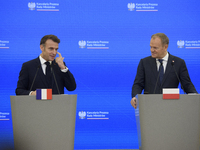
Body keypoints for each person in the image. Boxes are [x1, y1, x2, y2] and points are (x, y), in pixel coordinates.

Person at [130, 33, 197, 108]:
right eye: (151, 47)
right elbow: (138, 84)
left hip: (171, 107)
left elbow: (187, 84)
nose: (152, 50)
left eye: (155, 48)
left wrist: (195, 96)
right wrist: (134, 97)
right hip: (150, 107)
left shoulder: (178, 63)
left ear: (165, 47)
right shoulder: (144, 62)